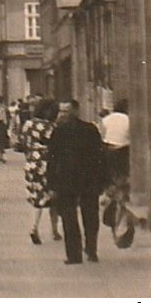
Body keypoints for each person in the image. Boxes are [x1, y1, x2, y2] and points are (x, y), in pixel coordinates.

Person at [47, 99, 105, 264]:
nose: (63, 115)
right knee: (69, 218)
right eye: (61, 111)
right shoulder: (58, 132)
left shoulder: (90, 130)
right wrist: (51, 184)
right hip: (66, 181)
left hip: (87, 179)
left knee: (90, 217)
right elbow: (51, 159)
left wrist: (102, 181)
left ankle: (91, 249)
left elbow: (100, 156)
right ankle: (75, 254)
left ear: (76, 112)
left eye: (66, 111)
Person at [22, 97, 62, 245]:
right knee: (53, 197)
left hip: (31, 163)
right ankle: (54, 230)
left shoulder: (28, 124)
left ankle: (34, 227)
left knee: (37, 198)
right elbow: (56, 145)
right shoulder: (49, 126)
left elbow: (23, 144)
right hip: (47, 163)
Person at [101, 99, 129, 191]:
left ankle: (112, 192)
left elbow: (101, 135)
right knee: (123, 174)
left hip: (108, 149)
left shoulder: (106, 119)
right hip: (123, 149)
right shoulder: (128, 119)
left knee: (111, 174)